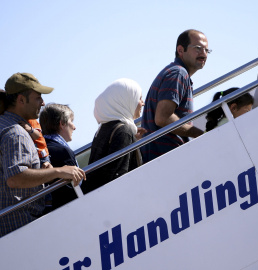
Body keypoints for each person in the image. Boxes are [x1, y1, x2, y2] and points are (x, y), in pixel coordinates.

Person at [0, 72, 86, 245]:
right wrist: (59, 171)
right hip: (19, 231)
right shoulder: (15, 132)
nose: (42, 103)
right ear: (21, 100)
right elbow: (15, 178)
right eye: (38, 98)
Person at [140, 29, 209, 163]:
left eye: (207, 50)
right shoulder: (178, 73)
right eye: (198, 48)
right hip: (166, 160)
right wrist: (199, 134)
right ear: (180, 50)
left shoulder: (176, 72)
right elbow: (163, 118)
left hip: (162, 159)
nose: (204, 54)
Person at [81, 78, 146, 194]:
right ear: (127, 100)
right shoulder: (123, 131)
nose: (142, 102)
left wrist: (133, 139)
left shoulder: (104, 128)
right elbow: (119, 176)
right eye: (139, 98)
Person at [0, 88, 52, 169]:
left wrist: (30, 129)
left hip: (42, 156)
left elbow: (38, 136)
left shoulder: (26, 122)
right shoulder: (8, 129)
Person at [39, 103, 80, 210]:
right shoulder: (63, 151)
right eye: (71, 121)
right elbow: (75, 191)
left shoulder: (39, 149)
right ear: (62, 124)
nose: (74, 127)